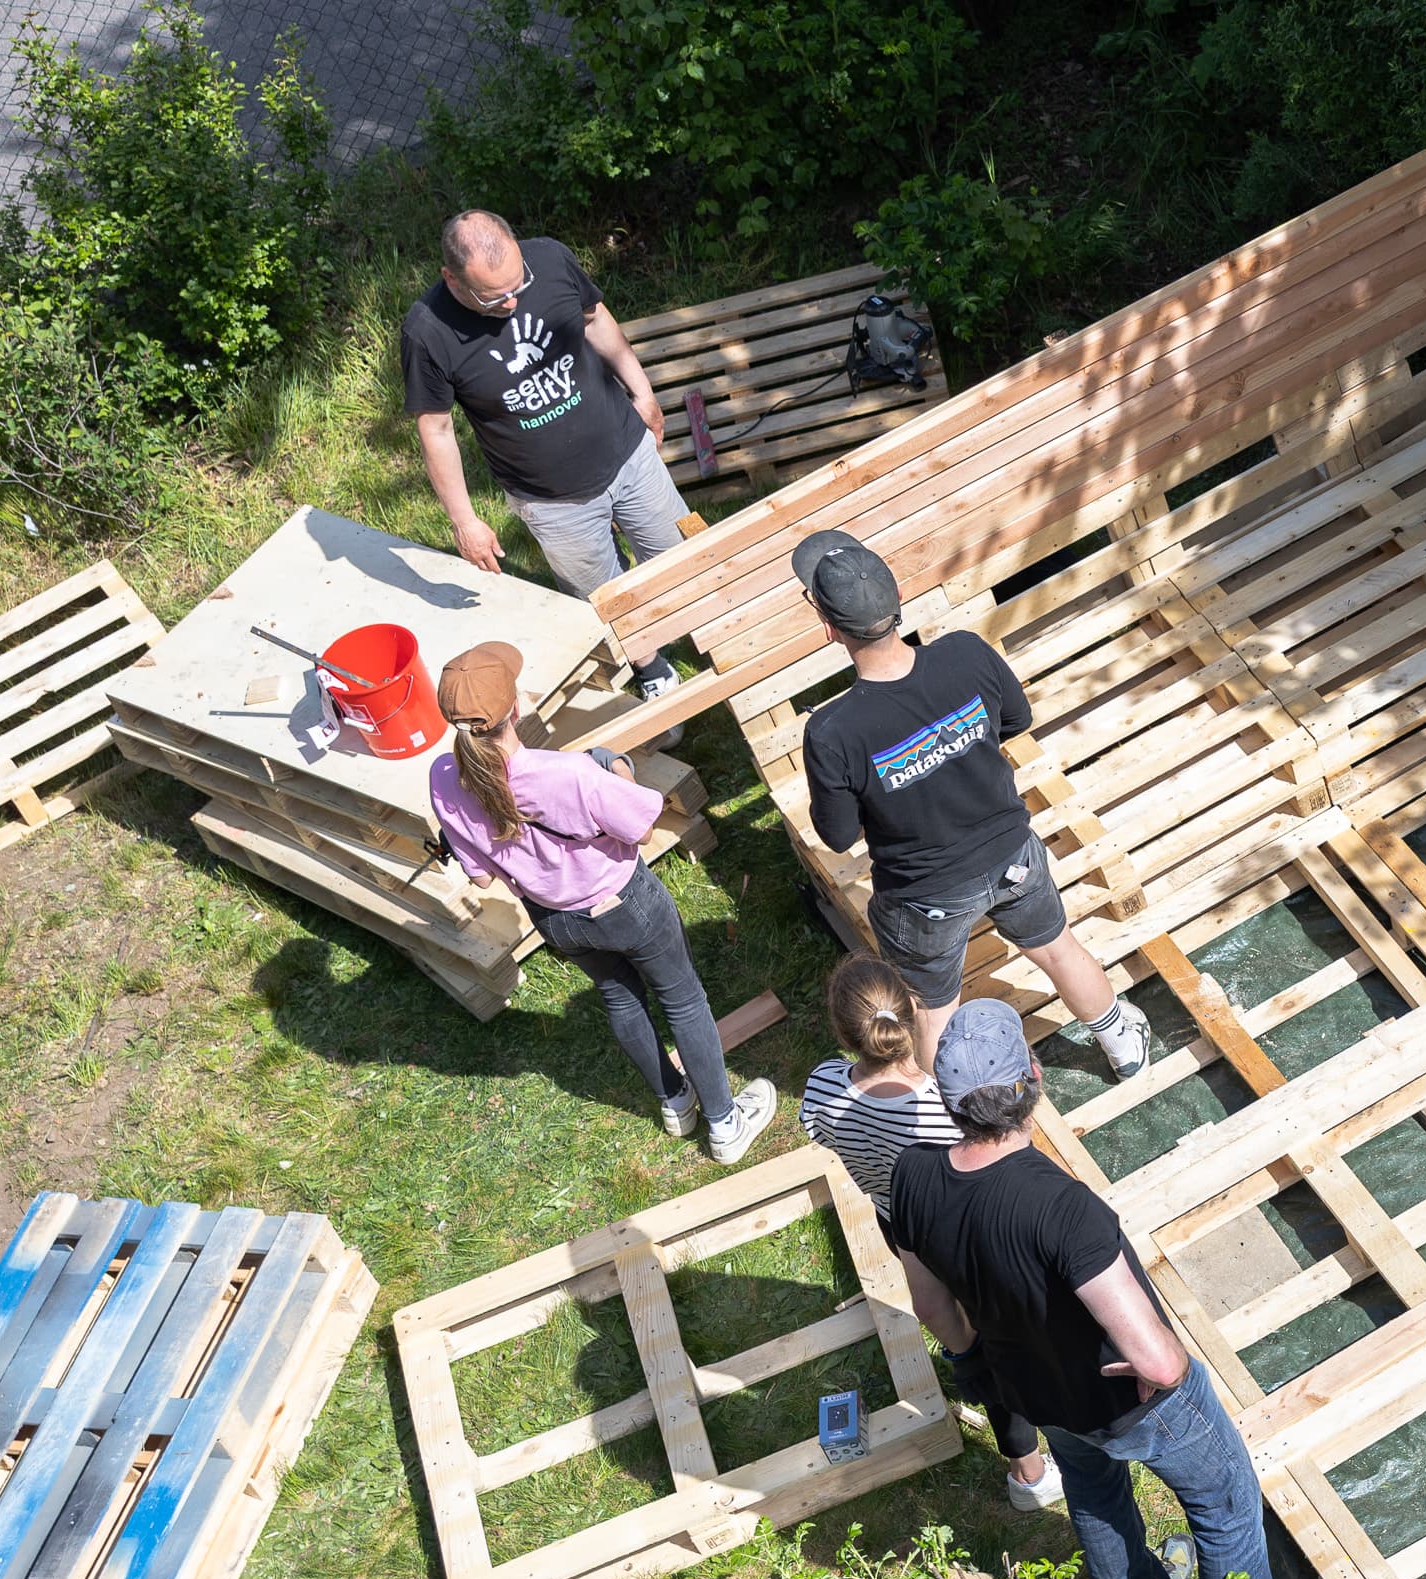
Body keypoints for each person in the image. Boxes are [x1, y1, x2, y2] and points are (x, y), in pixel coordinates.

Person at [883, 1001, 1329, 1579]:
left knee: (1094, 1494)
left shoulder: (912, 1176)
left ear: (946, 1097)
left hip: (1037, 1391)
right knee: (1226, 1515)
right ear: (1033, 1078)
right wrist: (1172, 1371)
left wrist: (983, 1360)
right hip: (1139, 1405)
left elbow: (933, 1307)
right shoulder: (1064, 1210)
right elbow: (1156, 1357)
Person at [791, 530, 1151, 1075]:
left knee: (934, 1011)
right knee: (1058, 949)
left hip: (924, 897)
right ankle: (1122, 1044)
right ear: (896, 603)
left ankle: (950, 1112)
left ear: (827, 629)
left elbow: (839, 836)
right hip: (1013, 858)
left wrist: (896, 788)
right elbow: (1016, 720)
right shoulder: (965, 653)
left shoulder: (832, 731)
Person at [428, 642, 777, 1161]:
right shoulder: (570, 775)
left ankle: (675, 1102)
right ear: (516, 709)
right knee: (682, 999)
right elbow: (640, 824)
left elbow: (480, 878)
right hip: (626, 904)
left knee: (619, 997)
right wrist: (616, 767)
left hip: (555, 920)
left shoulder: (442, 778)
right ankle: (725, 1125)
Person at [799, 955, 1054, 1506]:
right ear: (912, 1012)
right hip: (961, 1233)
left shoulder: (822, 1086)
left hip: (897, 1223)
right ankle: (1030, 1469)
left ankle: (1021, 1458)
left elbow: (818, 1130)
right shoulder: (941, 1108)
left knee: (966, 1339)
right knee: (997, 1339)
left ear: (845, 1031)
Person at [400, 209, 685, 698]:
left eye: (518, 285)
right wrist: (465, 522)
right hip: (552, 499)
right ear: (451, 278)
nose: (513, 302)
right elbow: (437, 428)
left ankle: (704, 627)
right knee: (601, 594)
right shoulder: (428, 332)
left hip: (627, 451)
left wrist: (643, 391)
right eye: (494, 296)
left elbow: (596, 321)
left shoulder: (549, 259)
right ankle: (649, 665)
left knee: (680, 558)